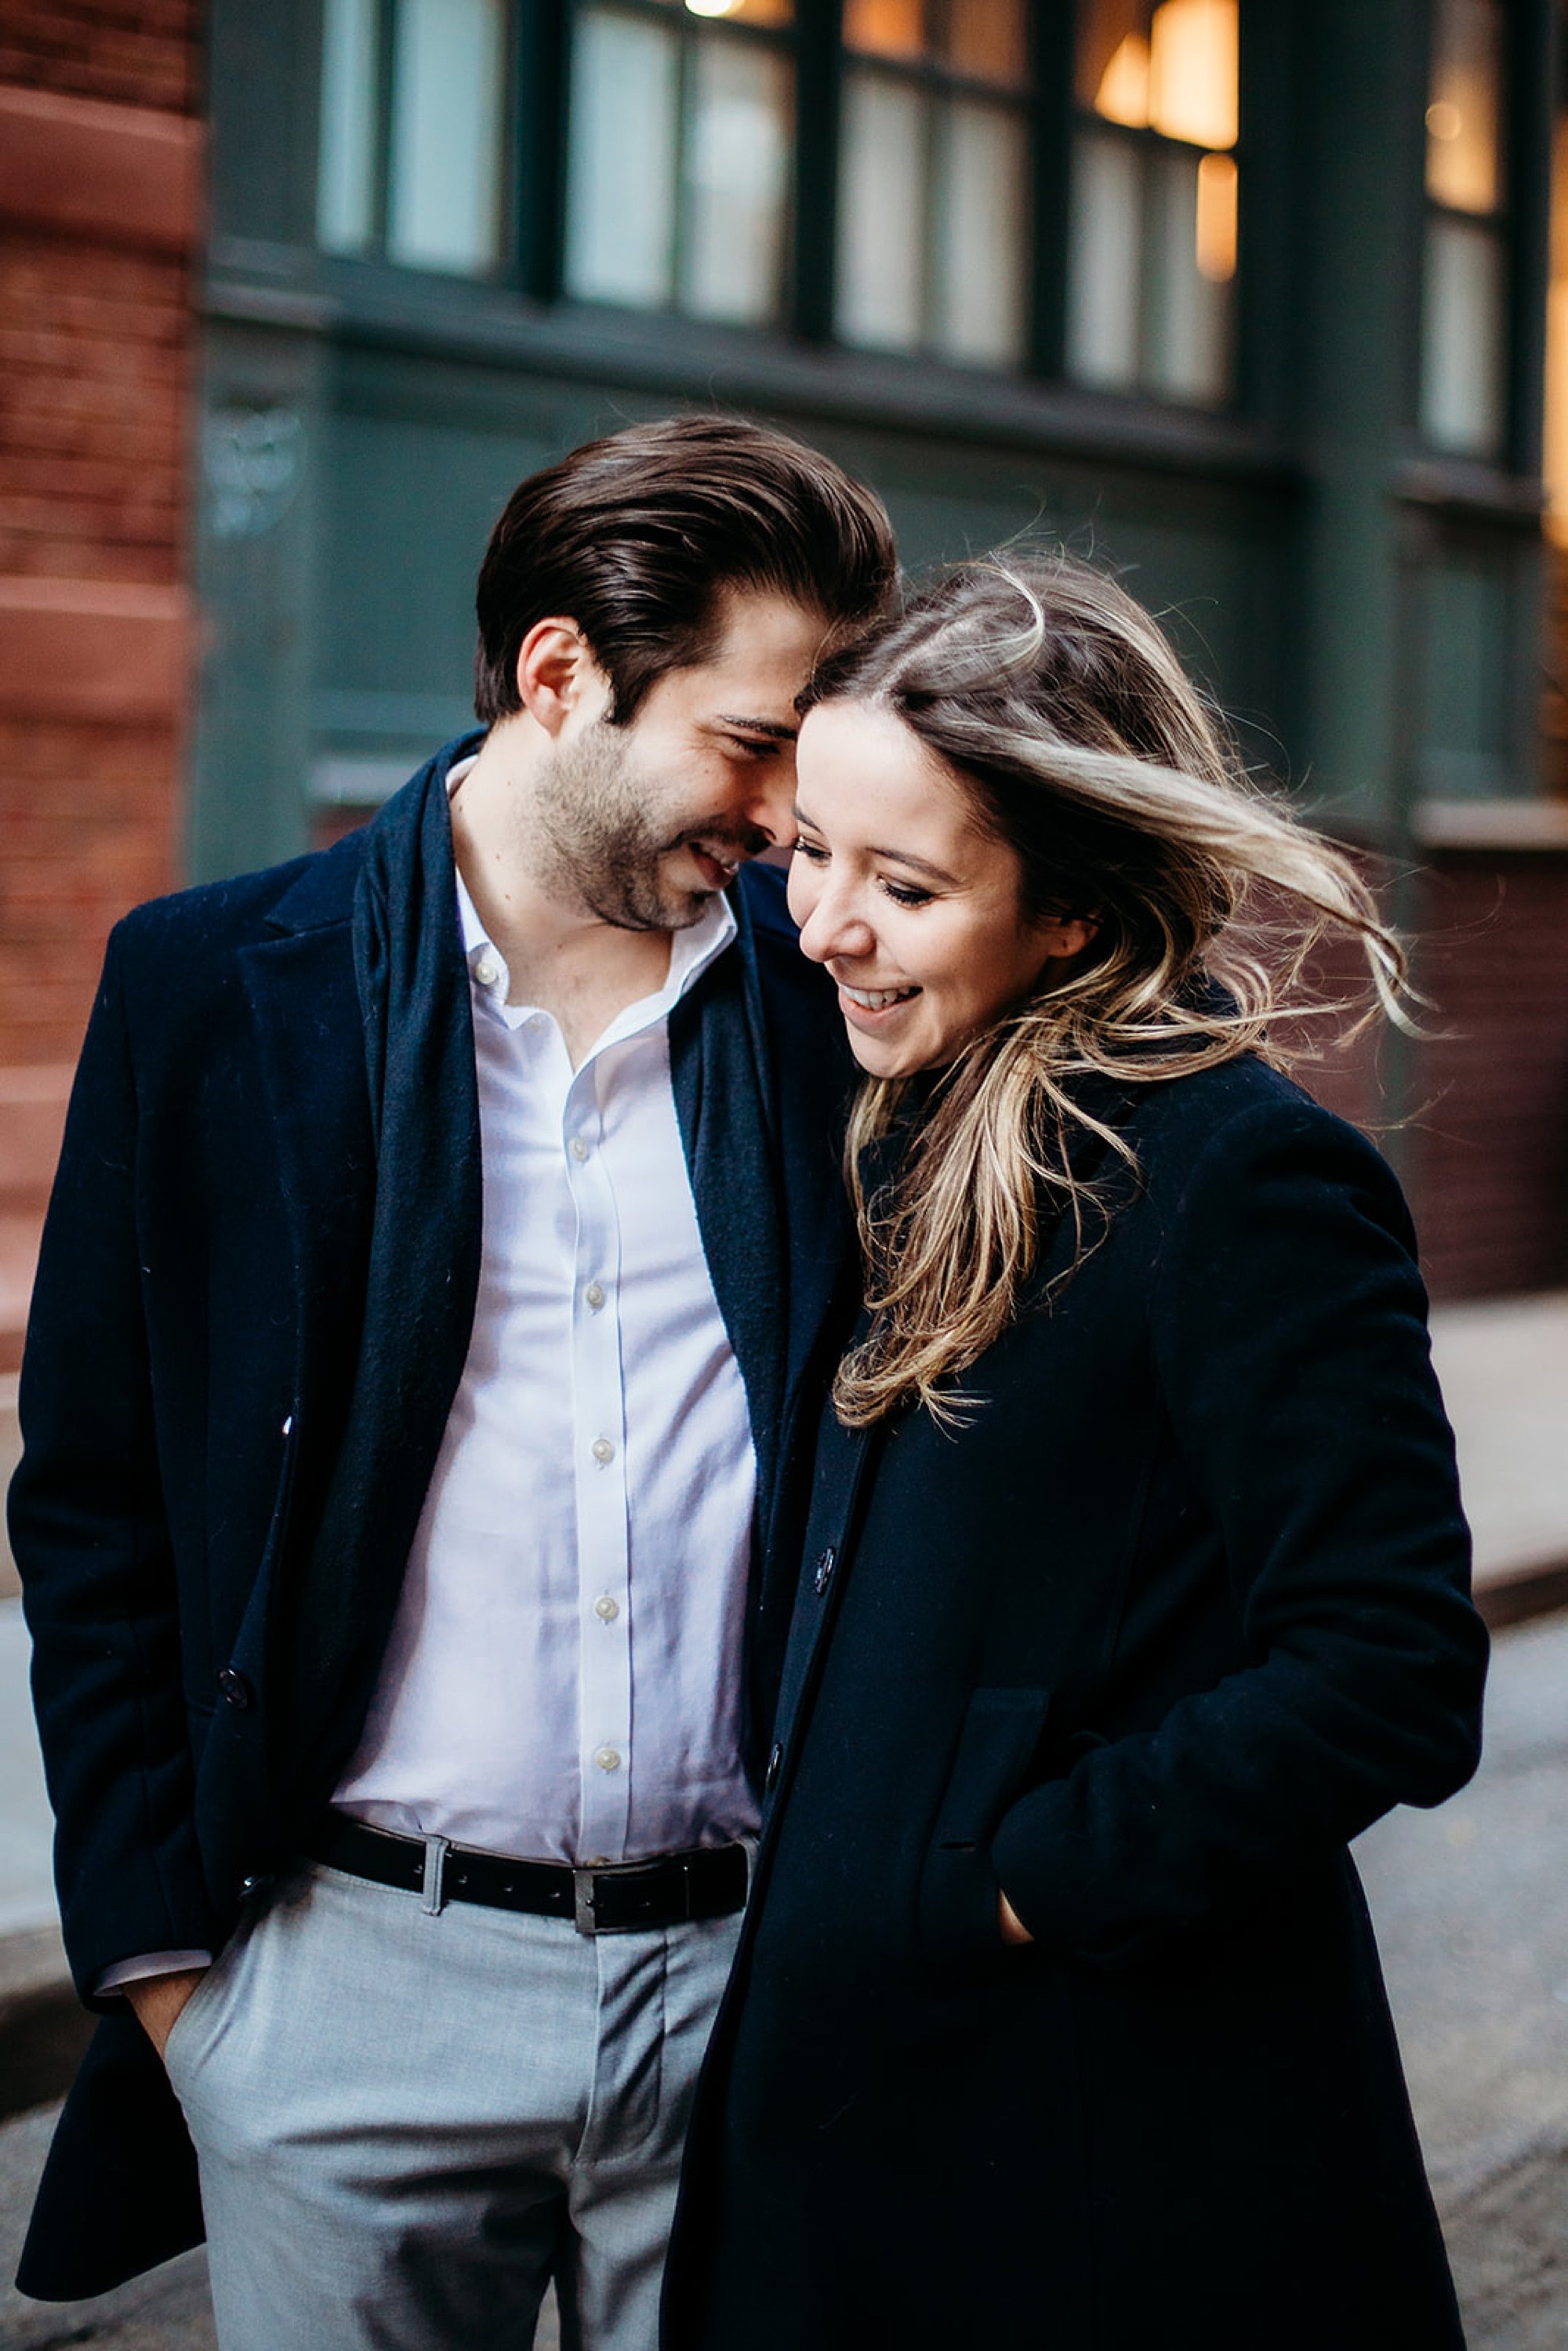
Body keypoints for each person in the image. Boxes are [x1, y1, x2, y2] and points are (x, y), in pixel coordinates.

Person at [10, 413, 895, 2347]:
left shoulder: (843, 1008)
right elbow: (92, 1498)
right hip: (348, 2002)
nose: (780, 818)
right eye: (752, 745)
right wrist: (181, 1984)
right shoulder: (210, 987)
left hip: (756, 1988)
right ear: (562, 670)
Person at [662, 556, 1488, 2351]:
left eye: (903, 885)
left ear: (1070, 916)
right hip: (835, 2114)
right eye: (810, 850)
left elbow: (1391, 1664)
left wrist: (1022, 1881)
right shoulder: (873, 1110)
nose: (822, 928)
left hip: (1092, 2146)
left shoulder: (1234, 1178)